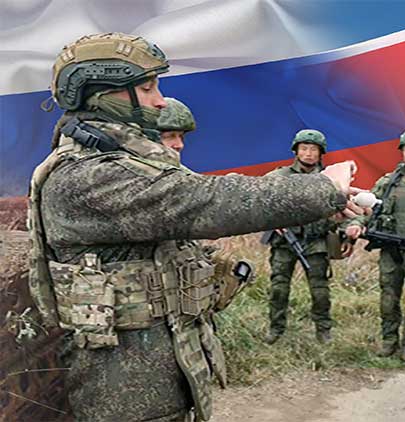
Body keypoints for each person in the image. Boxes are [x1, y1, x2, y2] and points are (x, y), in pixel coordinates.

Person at [28, 32, 365, 422]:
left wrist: (320, 204)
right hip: (127, 394)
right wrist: (322, 188)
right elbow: (208, 200)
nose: (159, 100)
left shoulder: (126, 164)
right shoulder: (89, 176)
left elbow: (191, 205)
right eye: (147, 88)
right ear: (101, 94)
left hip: (158, 374)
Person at [345, 128, 405, 362]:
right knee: (388, 295)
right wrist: (357, 223)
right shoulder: (388, 182)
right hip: (391, 249)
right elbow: (369, 209)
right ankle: (389, 340)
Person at [263, 129, 349, 345]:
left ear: (320, 153)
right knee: (279, 287)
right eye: (304, 148)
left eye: (313, 149)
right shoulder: (279, 177)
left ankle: (323, 329)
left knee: (320, 290)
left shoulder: (329, 179)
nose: (308, 153)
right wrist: (273, 221)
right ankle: (276, 328)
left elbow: (345, 208)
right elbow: (259, 199)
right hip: (285, 242)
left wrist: (349, 229)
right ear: (296, 151)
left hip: (316, 241)